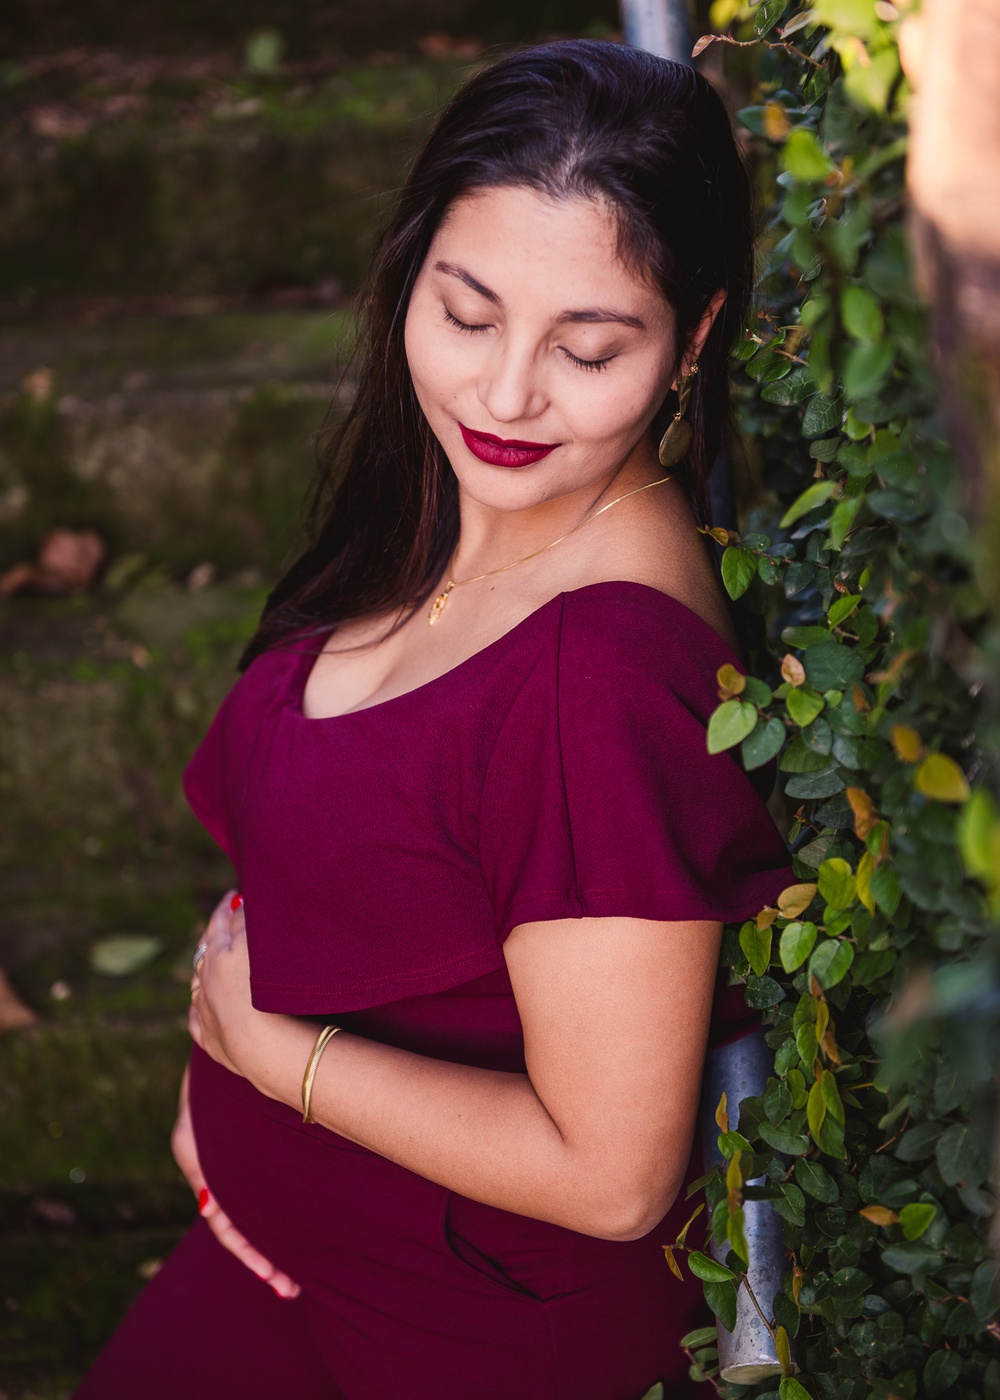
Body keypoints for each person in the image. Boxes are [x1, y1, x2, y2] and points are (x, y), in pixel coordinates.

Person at [75, 39, 793, 1400]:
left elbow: (612, 1174)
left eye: (589, 348)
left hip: (454, 1332)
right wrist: (216, 1091)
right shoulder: (450, 507)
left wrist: (271, 1058)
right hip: (290, 1247)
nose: (506, 395)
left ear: (695, 337)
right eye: (467, 316)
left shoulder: (597, 679)